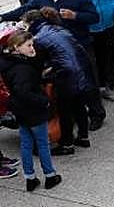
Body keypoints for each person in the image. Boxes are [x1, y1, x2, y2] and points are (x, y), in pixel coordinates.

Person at [26, 8, 94, 155]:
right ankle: (83, 137)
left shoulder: (38, 38)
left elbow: (37, 63)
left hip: (66, 76)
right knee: (79, 106)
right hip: (80, 70)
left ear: (31, 23)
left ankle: (67, 144)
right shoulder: (57, 29)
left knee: (65, 111)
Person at [0, 31, 60, 191]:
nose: (32, 48)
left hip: (20, 111)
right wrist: (44, 101)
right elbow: (24, 91)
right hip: (33, 111)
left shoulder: (7, 63)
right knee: (42, 144)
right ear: (16, 47)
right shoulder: (22, 69)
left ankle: (30, 178)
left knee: (26, 144)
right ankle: (50, 175)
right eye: (28, 45)